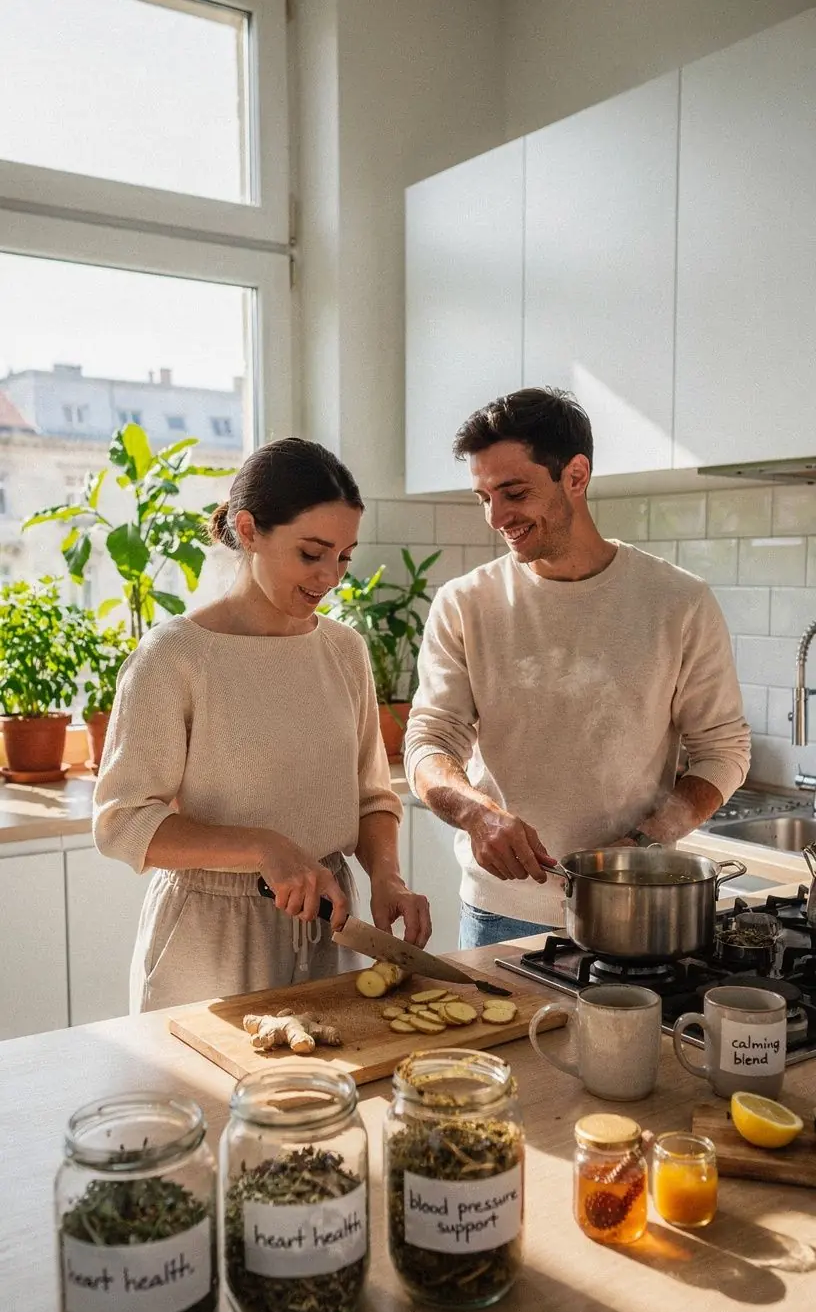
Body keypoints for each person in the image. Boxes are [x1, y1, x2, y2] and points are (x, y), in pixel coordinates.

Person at [403, 387, 751, 950]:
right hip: (500, 912)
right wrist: (476, 814)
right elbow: (428, 742)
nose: (496, 517)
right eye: (483, 497)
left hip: (637, 904)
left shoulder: (676, 600)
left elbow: (723, 749)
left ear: (576, 475)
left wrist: (642, 844)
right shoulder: (466, 603)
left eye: (513, 492)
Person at [94, 437, 430, 1012]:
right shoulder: (174, 657)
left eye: (344, 557)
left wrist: (388, 877)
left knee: (328, 1096)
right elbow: (123, 823)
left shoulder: (344, 651)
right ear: (248, 531)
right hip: (210, 939)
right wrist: (262, 847)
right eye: (312, 553)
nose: (331, 576)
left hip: (329, 928)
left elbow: (372, 798)